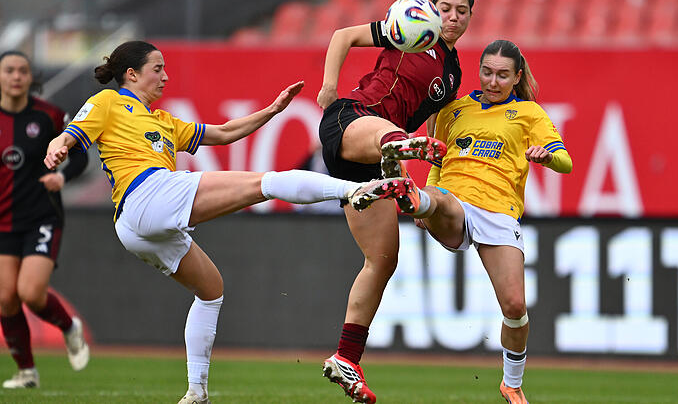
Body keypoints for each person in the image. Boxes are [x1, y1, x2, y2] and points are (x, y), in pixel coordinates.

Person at [42, 40, 414, 404]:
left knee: (211, 290)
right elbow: (72, 134)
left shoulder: (163, 122)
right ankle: (353, 190)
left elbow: (222, 133)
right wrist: (59, 145)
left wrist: (271, 111)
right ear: (131, 74)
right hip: (147, 194)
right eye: (158, 69)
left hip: (134, 226)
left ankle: (196, 392)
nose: (165, 77)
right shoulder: (108, 102)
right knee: (264, 183)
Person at [381, 40, 573, 404]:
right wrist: (428, 194)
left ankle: (511, 383)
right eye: (487, 71)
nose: (493, 81)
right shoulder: (454, 109)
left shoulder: (529, 113)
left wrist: (546, 155)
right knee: (442, 202)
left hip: (499, 212)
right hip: (455, 200)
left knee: (515, 307)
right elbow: (437, 161)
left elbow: (567, 162)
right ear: (478, 70)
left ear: (517, 77)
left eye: (503, 75)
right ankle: (414, 199)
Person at [317, 0, 476, 403]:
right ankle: (397, 154)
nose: (452, 17)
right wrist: (329, 85)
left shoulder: (452, 73)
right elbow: (343, 35)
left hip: (369, 163)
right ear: (433, 6)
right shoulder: (409, 24)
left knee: (383, 260)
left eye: (462, 10)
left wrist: (426, 193)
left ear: (469, 17)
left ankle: (346, 358)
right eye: (446, 7)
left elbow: (430, 127)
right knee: (393, 136)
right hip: (351, 120)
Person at [0, 50, 90, 389]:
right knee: (6, 298)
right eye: (9, 70)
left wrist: (63, 178)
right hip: (3, 222)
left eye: (22, 70)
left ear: (30, 76)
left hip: (41, 217)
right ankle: (27, 372)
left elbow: (80, 154)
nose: (16, 76)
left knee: (31, 293)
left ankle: (70, 328)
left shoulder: (50, 115)